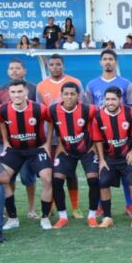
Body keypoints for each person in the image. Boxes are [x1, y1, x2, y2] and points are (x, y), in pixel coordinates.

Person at [0, 80, 54, 230]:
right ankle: (13, 218)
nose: (17, 95)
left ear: (26, 92)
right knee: (3, 179)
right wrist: (6, 142)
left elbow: (51, 121)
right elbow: (1, 123)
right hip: (15, 150)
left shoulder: (39, 109)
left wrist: (47, 143)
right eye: (13, 92)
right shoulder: (2, 110)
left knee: (47, 179)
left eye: (19, 91)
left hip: (36, 149)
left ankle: (45, 218)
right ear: (9, 94)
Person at [47, 82, 101, 228]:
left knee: (93, 180)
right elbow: (52, 124)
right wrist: (56, 142)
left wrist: (96, 144)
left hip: (87, 150)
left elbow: (99, 122)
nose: (69, 97)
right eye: (66, 94)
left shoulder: (89, 109)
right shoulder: (53, 110)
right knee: (57, 180)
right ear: (61, 95)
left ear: (78, 95)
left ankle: (92, 216)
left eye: (72, 94)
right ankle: (63, 217)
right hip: (66, 151)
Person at [37, 54, 84, 215]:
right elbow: (41, 113)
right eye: (52, 64)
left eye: (58, 64)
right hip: (52, 139)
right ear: (48, 66)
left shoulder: (76, 82)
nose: (55, 67)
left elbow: (82, 108)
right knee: (52, 174)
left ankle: (75, 207)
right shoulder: (41, 86)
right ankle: (50, 206)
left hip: (72, 137)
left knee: (70, 173)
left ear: (63, 66)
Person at [93, 86, 132, 228]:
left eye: (113, 99)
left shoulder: (131, 112)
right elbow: (97, 140)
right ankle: (108, 217)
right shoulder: (98, 116)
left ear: (120, 100)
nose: (110, 102)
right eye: (107, 99)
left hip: (128, 157)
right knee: (102, 183)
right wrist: (102, 160)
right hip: (109, 158)